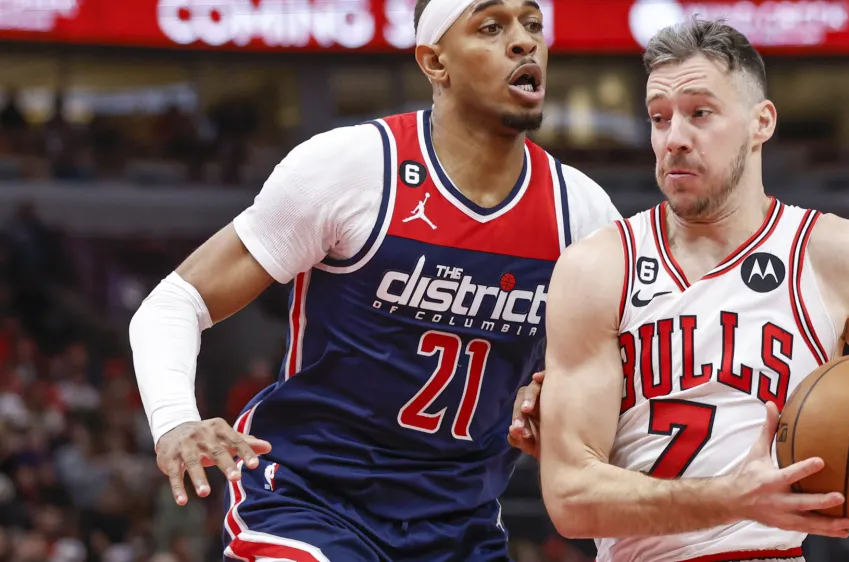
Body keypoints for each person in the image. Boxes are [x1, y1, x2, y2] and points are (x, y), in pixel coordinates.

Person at [128, 0, 619, 560]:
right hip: (312, 503)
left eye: (532, 25)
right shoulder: (354, 167)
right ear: (435, 62)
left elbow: (605, 378)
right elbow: (174, 302)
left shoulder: (581, 212)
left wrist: (553, 397)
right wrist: (173, 421)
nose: (524, 42)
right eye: (491, 27)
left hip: (462, 526)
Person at [534, 19, 849, 562]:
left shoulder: (838, 255)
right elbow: (571, 498)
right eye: (659, 118)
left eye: (700, 113)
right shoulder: (597, 267)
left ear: (761, 122)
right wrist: (732, 500)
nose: (674, 138)